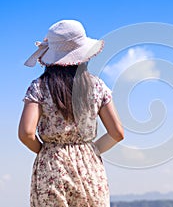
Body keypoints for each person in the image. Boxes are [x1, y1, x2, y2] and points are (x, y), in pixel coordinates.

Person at [18, 20, 124, 207]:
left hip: (52, 166)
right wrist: (92, 150)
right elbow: (117, 133)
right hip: (89, 167)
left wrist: (45, 150)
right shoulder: (98, 86)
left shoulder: (39, 87)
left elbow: (26, 133)